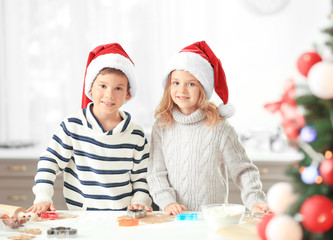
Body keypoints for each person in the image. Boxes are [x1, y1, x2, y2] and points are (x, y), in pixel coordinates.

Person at [27, 43, 152, 214]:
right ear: (90, 87)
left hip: (124, 218)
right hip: (83, 217)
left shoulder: (136, 135)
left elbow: (142, 179)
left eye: (118, 88)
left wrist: (140, 201)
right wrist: (43, 197)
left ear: (128, 94)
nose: (109, 94)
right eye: (102, 86)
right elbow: (50, 161)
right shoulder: (73, 126)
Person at [147, 41, 268, 215]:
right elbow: (156, 173)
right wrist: (167, 202)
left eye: (191, 84)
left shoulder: (219, 127)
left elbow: (243, 170)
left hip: (212, 218)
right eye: (175, 83)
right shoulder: (162, 125)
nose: (182, 90)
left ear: (203, 88)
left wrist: (255, 200)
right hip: (174, 218)